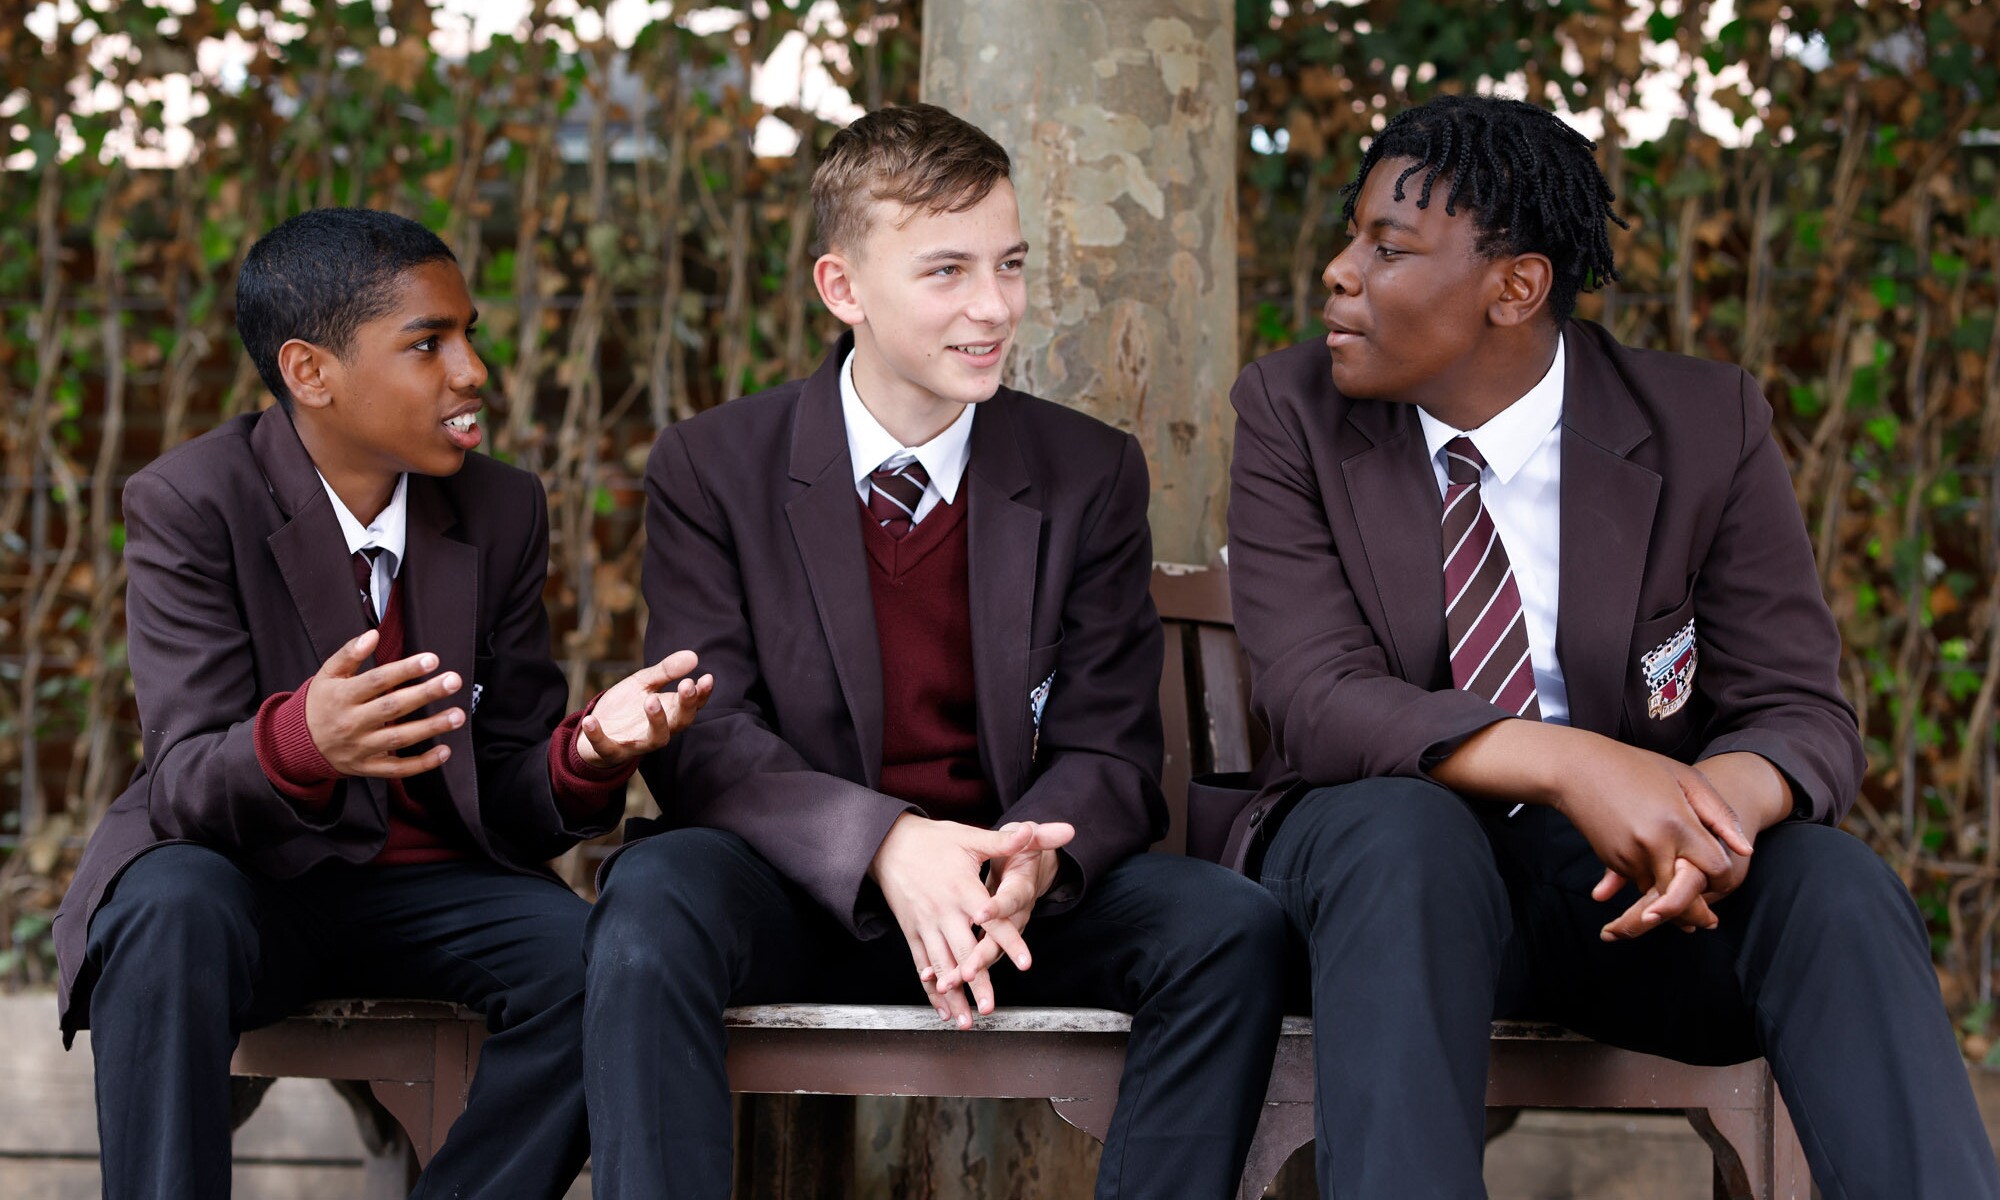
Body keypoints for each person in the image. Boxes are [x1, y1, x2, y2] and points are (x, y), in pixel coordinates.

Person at [1223, 93, 2000, 1197]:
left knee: (1833, 886)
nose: (1339, 273)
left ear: (1514, 286)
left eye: (1385, 248)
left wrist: (1707, 816)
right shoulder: (1288, 411)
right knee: (1402, 837)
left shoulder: (1702, 422)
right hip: (1374, 896)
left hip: (1626, 899)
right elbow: (1316, 697)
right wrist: (1579, 764)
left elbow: (1799, 708)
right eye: (1351, 238)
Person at [581, 103, 1286, 1199]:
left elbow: (1110, 750)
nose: (993, 307)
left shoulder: (1085, 471)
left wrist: (1030, 862)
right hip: (796, 892)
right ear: (842, 289)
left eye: (1007, 265)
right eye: (946, 272)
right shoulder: (713, 465)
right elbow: (705, 738)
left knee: (1226, 930)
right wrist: (884, 844)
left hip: (1012, 900)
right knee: (653, 903)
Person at [54, 207, 712, 1200]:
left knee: (610, 965)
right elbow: (186, 782)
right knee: (163, 907)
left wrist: (589, 754)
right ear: (310, 373)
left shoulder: (499, 507)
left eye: (468, 336)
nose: (470, 372)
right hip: (249, 884)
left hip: (435, 886)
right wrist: (299, 741)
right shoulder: (192, 501)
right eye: (426, 344)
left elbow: (506, 783)